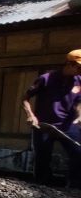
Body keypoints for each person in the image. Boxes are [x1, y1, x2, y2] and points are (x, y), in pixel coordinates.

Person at [21, 49, 81, 188]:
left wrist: (79, 116)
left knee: (78, 153)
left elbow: (79, 103)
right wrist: (31, 116)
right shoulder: (46, 78)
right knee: (42, 156)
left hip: (68, 125)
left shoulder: (79, 81)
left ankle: (74, 186)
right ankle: (43, 186)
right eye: (79, 67)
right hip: (45, 124)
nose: (80, 71)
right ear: (69, 64)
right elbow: (25, 98)